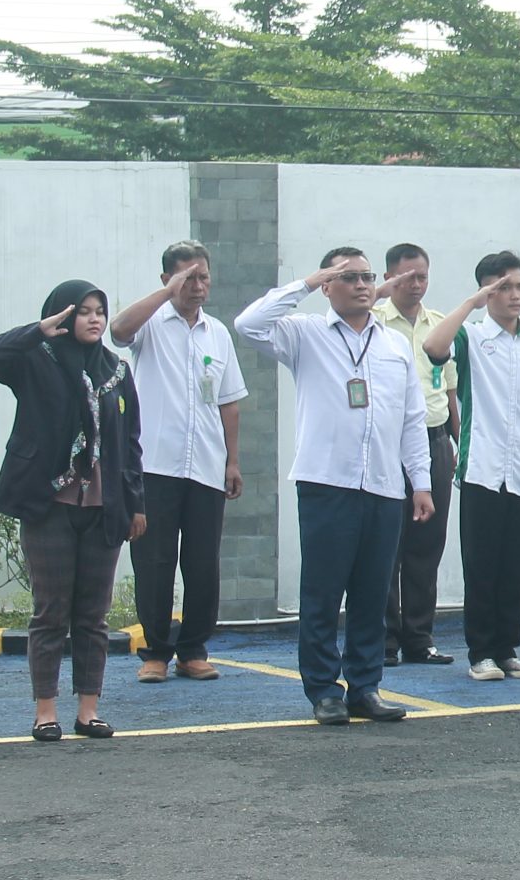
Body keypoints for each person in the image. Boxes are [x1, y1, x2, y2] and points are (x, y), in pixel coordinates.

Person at [238, 250, 434, 724]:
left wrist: (421, 482)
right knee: (323, 594)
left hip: (383, 485)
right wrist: (307, 282)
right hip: (327, 483)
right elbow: (248, 324)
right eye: (348, 277)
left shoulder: (393, 344)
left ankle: (365, 686)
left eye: (367, 276)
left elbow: (412, 418)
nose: (362, 284)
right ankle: (324, 690)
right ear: (328, 286)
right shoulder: (304, 334)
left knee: (372, 594)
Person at [0, 283, 148, 743]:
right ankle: (45, 711)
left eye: (100, 311)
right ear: (63, 315)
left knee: (93, 615)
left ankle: (88, 711)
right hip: (48, 504)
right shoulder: (37, 359)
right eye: (83, 311)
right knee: (51, 612)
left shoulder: (116, 370)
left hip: (103, 507)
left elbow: (130, 442)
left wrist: (136, 503)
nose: (94, 320)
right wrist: (38, 331)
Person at [422, 251, 520, 682]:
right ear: (487, 291)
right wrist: (471, 302)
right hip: (482, 470)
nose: (515, 295)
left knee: (515, 567)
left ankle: (507, 649)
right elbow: (433, 347)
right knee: (481, 566)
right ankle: (481, 652)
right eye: (503, 288)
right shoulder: (470, 336)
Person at [111, 242, 248, 684]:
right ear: (168, 279)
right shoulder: (151, 324)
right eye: (188, 278)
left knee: (203, 563)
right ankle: (155, 652)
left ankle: (193, 650)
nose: (198, 285)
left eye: (203, 276)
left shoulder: (217, 333)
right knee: (154, 560)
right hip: (156, 464)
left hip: (206, 463)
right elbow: (118, 330)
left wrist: (232, 461)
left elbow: (229, 402)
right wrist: (166, 293)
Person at [374, 242, 459, 668]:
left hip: (434, 440)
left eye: (422, 276)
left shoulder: (440, 325)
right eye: (407, 277)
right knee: (386, 543)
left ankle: (419, 637)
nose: (416, 284)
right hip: (387, 443)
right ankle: (384, 639)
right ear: (389, 278)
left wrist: (457, 443)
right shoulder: (372, 321)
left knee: (428, 543)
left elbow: (450, 391)